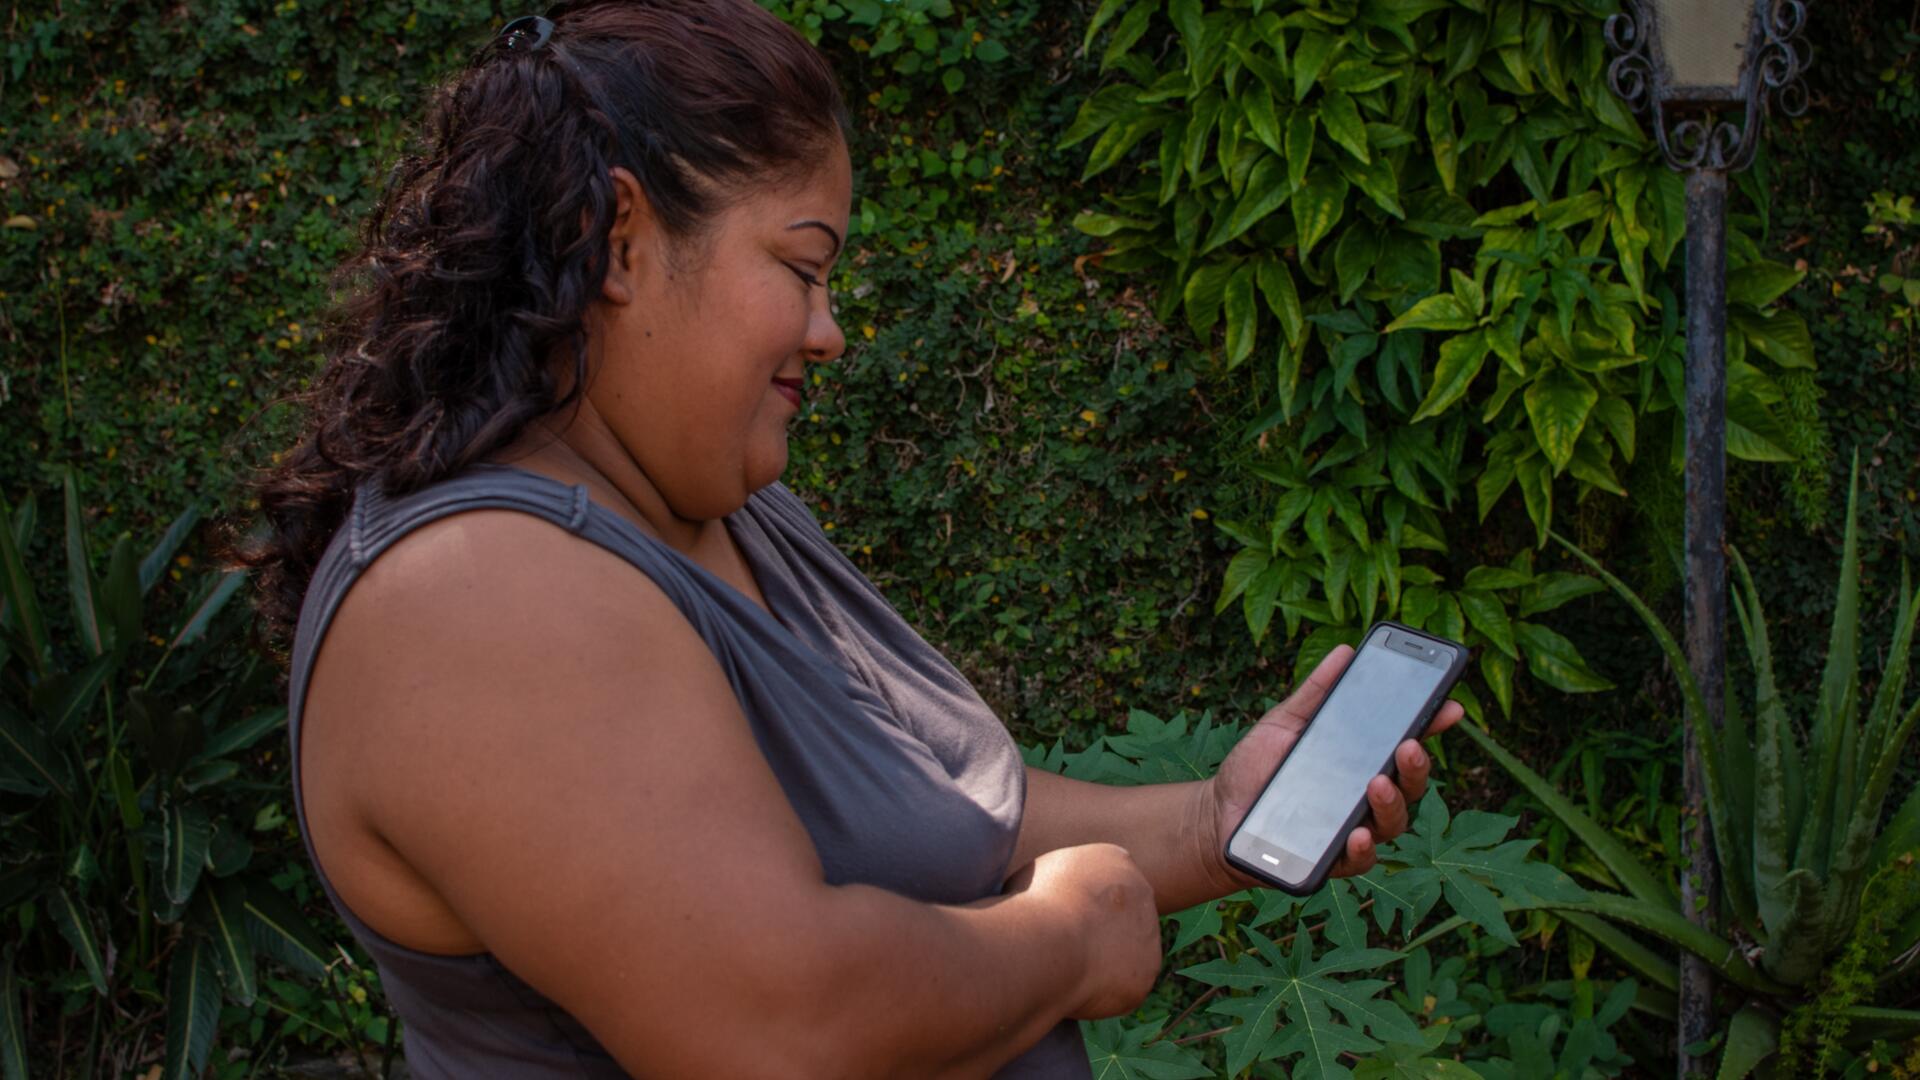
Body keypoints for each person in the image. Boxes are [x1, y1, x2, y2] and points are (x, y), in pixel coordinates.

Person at [231, 2, 1461, 1076]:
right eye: (802, 265)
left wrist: (1210, 827)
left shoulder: (727, 513)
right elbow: (781, 1032)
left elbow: (940, 817)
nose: (828, 331)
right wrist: (1071, 943)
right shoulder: (475, 598)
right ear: (621, 242)